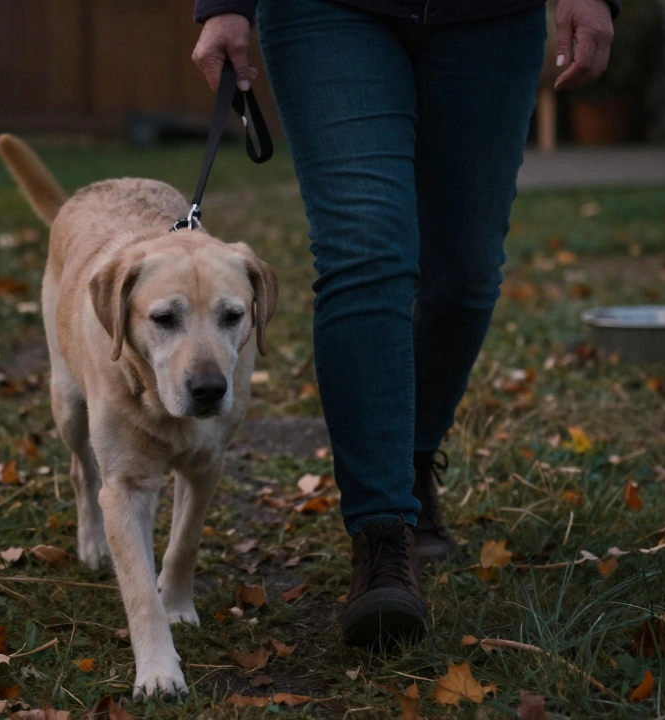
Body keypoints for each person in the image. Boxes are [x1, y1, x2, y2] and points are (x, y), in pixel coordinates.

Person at [191, 0, 616, 646]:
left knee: (464, 274)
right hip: (326, 13)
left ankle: (408, 460)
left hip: (490, 19)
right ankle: (382, 534)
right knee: (365, 248)